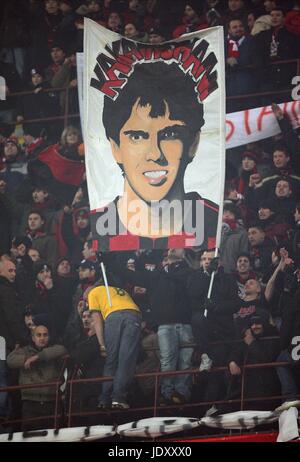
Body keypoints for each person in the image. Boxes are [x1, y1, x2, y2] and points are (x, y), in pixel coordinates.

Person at [91, 61, 219, 251]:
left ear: (193, 144)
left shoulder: (215, 221)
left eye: (169, 135)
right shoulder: (95, 227)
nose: (154, 154)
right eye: (137, 136)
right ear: (115, 148)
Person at [88, 281, 142, 410]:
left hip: (113, 317)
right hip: (133, 314)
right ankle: (118, 398)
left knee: (111, 360)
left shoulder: (92, 292)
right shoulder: (117, 290)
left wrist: (102, 344)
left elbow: (97, 320)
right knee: (125, 360)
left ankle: (105, 399)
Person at [7, 323, 67, 430]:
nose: (42, 338)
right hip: (30, 403)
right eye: (38, 335)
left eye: (45, 335)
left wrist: (37, 357)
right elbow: (10, 360)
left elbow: (62, 349)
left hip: (52, 402)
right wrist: (27, 359)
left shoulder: (54, 349)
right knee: (29, 436)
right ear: (33, 338)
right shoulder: (24, 350)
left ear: (49, 337)